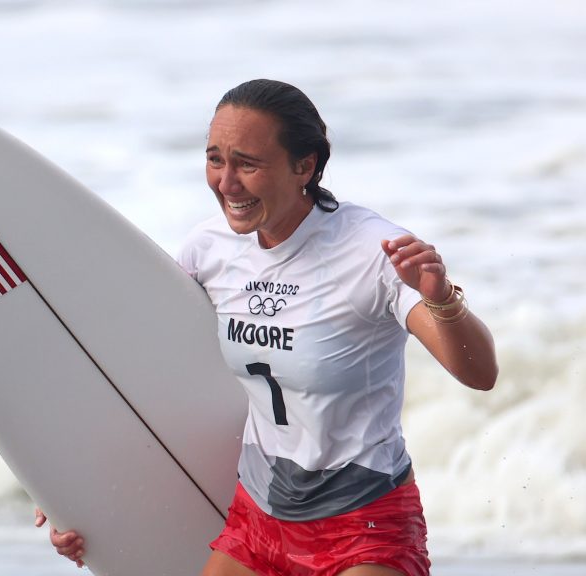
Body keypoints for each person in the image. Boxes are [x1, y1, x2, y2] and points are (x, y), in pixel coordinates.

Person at [35, 79, 498, 576]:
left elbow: (479, 373)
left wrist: (440, 296)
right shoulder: (209, 248)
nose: (226, 182)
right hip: (257, 518)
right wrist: (73, 493)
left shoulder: (373, 252)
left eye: (247, 164)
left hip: (361, 526)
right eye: (215, 160)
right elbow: (138, 376)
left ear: (306, 165)